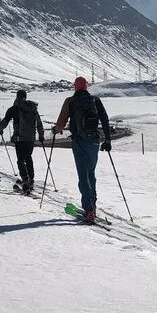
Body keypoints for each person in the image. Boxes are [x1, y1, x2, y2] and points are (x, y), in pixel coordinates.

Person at [53, 77, 111, 224]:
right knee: (91, 173)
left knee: (83, 175)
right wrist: (107, 139)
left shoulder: (70, 101)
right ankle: (93, 205)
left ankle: (88, 209)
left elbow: (61, 123)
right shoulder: (95, 100)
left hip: (79, 141)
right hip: (94, 142)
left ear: (75, 87)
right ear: (86, 87)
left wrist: (56, 130)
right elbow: (104, 119)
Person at [0, 90, 45, 194]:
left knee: (20, 160)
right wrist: (41, 135)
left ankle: (25, 180)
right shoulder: (33, 108)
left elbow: (5, 121)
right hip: (31, 138)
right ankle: (31, 180)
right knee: (28, 157)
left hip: (20, 138)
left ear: (17, 96)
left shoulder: (14, 108)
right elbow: (39, 123)